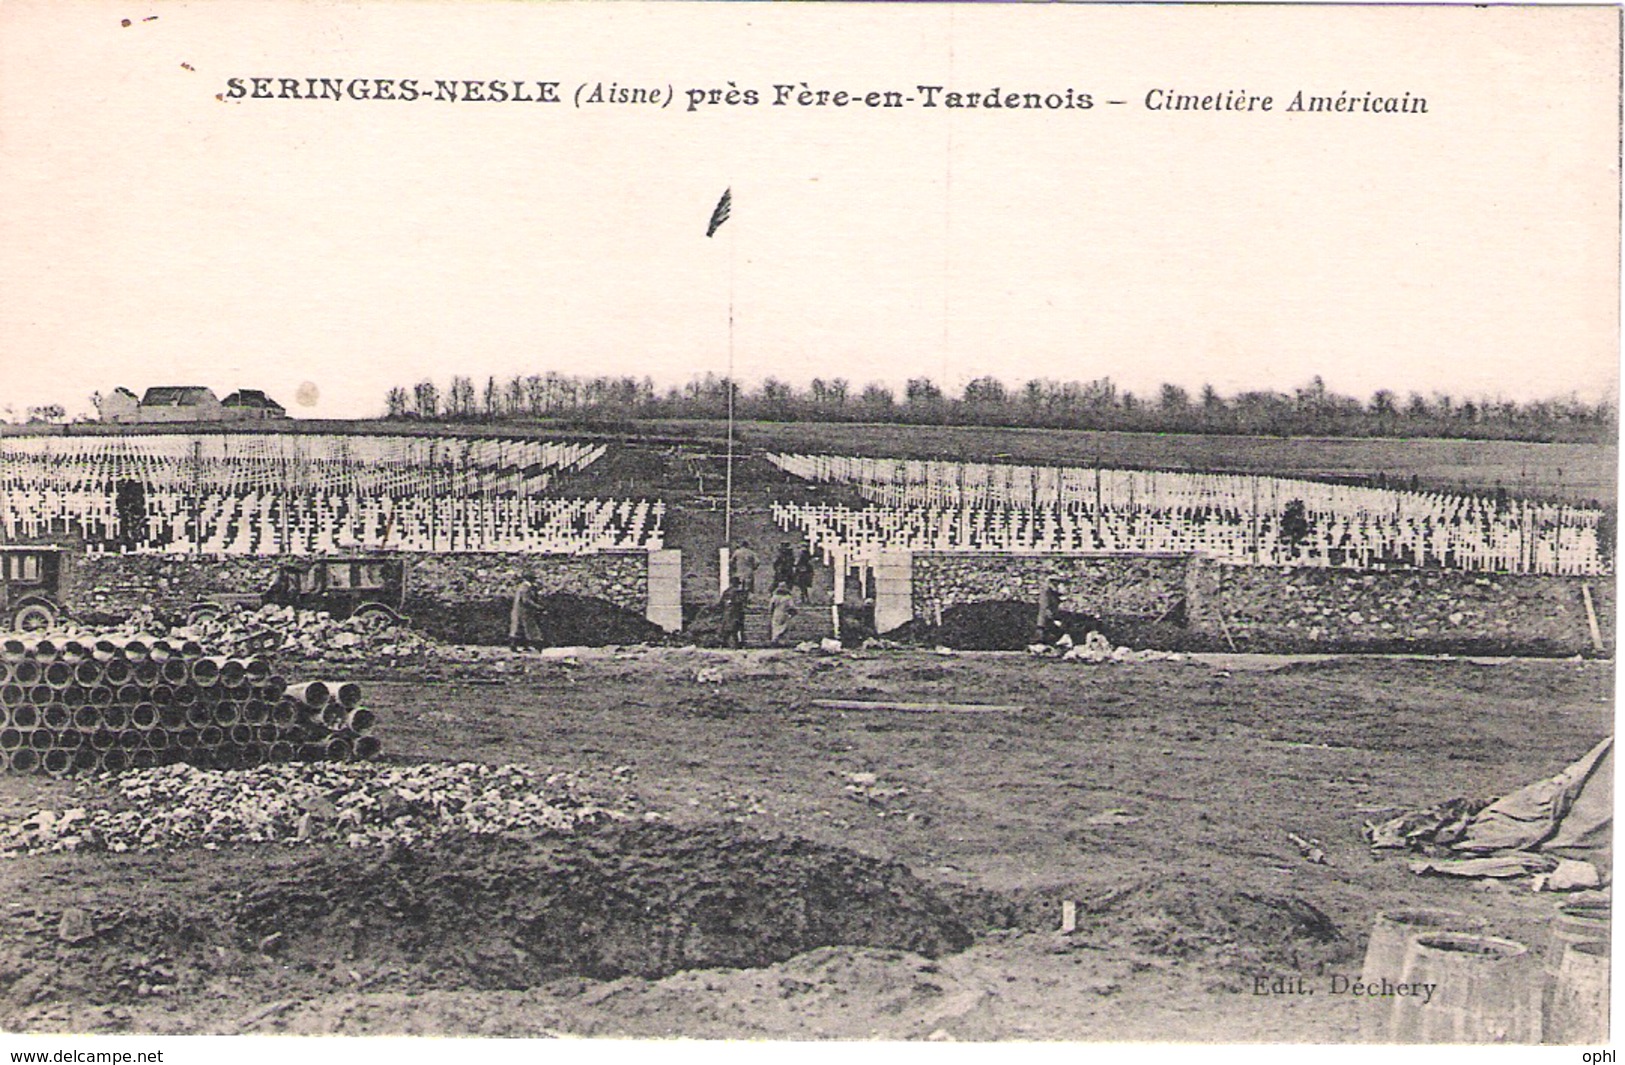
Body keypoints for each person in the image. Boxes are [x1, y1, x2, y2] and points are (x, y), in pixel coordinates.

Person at [509, 579, 542, 652]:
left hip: (521, 611)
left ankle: (523, 646)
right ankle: (535, 646)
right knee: (529, 629)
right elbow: (526, 600)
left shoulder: (523, 586)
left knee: (521, 629)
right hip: (523, 612)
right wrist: (538, 607)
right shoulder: (526, 587)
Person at [719, 583, 747, 648]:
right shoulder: (738, 592)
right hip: (736, 613)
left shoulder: (726, 591)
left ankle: (723, 644)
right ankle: (738, 644)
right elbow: (741, 602)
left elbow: (721, 603)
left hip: (728, 613)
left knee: (727, 630)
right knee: (736, 630)